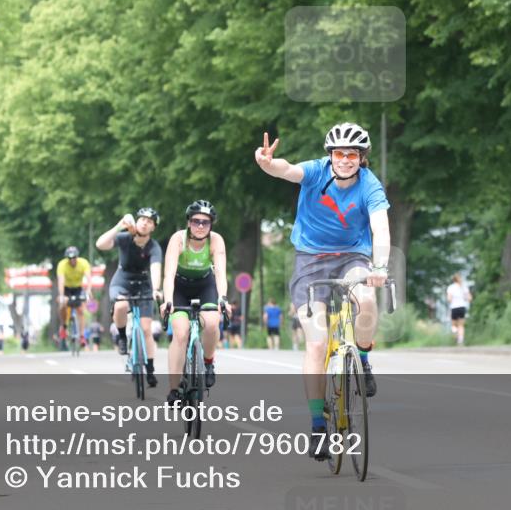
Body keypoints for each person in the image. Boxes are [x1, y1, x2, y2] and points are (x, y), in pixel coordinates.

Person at [255, 123, 390, 461]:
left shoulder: (369, 185)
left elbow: (381, 228)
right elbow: (288, 169)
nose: (345, 160)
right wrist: (268, 165)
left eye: (352, 155)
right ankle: (317, 425)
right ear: (330, 156)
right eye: (339, 153)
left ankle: (362, 360)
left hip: (352, 257)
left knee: (367, 301)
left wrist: (379, 267)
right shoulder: (316, 171)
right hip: (310, 261)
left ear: (361, 158)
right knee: (316, 342)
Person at [161, 201, 231, 405]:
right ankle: (174, 389)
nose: (200, 226)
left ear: (211, 225)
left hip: (205, 285)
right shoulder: (178, 239)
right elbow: (169, 274)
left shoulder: (216, 240)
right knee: (180, 333)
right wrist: (167, 300)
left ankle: (208, 362)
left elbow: (220, 273)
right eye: (196, 221)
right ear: (188, 222)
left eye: (205, 222)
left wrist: (223, 298)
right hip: (179, 287)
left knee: (212, 322)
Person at [96, 208, 163, 386]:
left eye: (149, 221)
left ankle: (150, 369)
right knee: (120, 305)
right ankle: (122, 337)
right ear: (136, 221)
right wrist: (119, 225)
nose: (145, 223)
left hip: (144, 285)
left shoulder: (154, 247)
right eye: (142, 219)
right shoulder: (125, 238)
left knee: (146, 329)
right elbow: (100, 244)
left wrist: (156, 289)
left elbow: (155, 268)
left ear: (153, 227)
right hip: (122, 281)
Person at [56, 246, 92, 350]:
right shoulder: (62, 265)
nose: (72, 260)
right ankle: (64, 326)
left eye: (74, 258)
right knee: (62, 305)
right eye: (70, 258)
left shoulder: (83, 263)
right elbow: (61, 281)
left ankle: (82, 336)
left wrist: (89, 290)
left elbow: (88, 278)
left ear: (77, 257)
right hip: (66, 288)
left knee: (80, 310)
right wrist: (62, 295)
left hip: (77, 288)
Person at [446, 274, 472, 346]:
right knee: (461, 325)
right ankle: (460, 340)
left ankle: (456, 333)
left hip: (454, 307)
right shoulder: (464, 287)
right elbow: (469, 298)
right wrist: (464, 298)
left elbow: (449, 299)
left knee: (453, 325)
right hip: (462, 307)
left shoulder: (451, 287)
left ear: (453, 280)